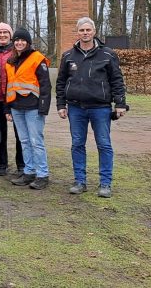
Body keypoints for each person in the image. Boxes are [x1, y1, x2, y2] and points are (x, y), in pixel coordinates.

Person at [56, 17, 127, 198]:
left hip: (100, 107)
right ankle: (80, 181)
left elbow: (117, 80)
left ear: (94, 32)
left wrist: (120, 103)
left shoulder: (108, 54)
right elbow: (61, 82)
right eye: (82, 30)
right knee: (77, 143)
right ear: (77, 32)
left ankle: (105, 183)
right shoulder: (68, 56)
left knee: (104, 144)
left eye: (88, 30)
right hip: (75, 108)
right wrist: (61, 104)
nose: (85, 33)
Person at [5, 28, 52, 190]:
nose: (19, 43)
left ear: (28, 42)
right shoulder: (11, 61)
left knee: (36, 142)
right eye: (16, 40)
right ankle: (29, 172)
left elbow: (45, 85)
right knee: (24, 142)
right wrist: (7, 108)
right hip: (16, 107)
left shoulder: (37, 59)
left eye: (22, 40)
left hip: (33, 107)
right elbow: (8, 86)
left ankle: (42, 174)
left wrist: (43, 108)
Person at [0, 22, 24, 176]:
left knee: (20, 133)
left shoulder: (17, 51)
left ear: (11, 35)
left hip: (15, 98)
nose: (2, 35)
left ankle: (21, 164)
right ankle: (2, 164)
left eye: (5, 32)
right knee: (0, 133)